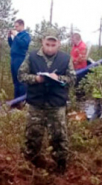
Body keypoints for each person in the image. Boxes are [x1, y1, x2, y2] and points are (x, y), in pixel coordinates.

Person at [18, 29, 75, 172]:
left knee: (59, 136)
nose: (50, 47)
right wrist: (36, 79)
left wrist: (59, 79)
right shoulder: (31, 57)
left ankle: (60, 168)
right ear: (42, 42)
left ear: (59, 45)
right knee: (32, 136)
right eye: (47, 44)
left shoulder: (65, 59)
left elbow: (72, 79)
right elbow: (21, 75)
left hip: (56, 104)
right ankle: (31, 166)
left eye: (53, 45)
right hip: (36, 103)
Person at [7, 19, 31, 98]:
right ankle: (16, 101)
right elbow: (13, 46)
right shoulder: (18, 36)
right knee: (15, 80)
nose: (15, 28)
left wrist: (16, 36)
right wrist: (9, 37)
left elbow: (23, 45)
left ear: (22, 25)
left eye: (17, 26)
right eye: (15, 26)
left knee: (20, 80)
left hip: (20, 58)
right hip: (13, 58)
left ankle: (22, 101)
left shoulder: (25, 35)